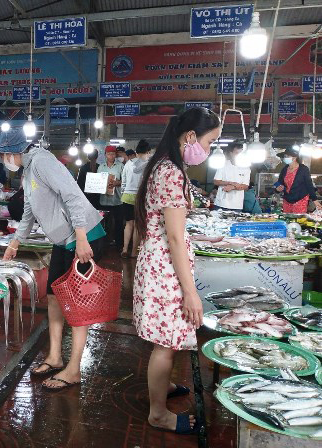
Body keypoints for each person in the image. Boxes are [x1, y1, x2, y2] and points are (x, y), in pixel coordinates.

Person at [0, 128, 105, 391]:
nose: (2, 161)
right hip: (62, 240)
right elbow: (30, 209)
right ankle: (55, 356)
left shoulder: (42, 161)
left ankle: (74, 369)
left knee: (77, 302)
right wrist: (15, 242)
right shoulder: (29, 169)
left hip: (82, 236)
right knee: (54, 295)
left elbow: (72, 195)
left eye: (2, 156)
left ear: (11, 152)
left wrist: (81, 237)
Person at [134, 107, 221, 434]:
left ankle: (163, 385)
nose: (209, 150)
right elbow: (173, 235)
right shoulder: (172, 172)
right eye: (209, 143)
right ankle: (159, 414)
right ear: (190, 137)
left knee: (164, 339)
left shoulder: (162, 165)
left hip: (156, 260)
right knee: (166, 344)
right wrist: (190, 291)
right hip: (165, 267)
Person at [120, 139, 151, 258]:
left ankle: (124, 249)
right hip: (140, 198)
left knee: (128, 224)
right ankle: (134, 252)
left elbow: (124, 181)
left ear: (136, 152)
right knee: (138, 226)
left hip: (127, 196)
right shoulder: (148, 164)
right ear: (148, 152)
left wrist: (124, 193)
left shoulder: (128, 163)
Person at [275, 148, 321, 213]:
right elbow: (279, 183)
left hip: (300, 200)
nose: (285, 158)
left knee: (299, 221)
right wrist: (277, 189)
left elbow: (309, 185)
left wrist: (315, 200)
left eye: (288, 156)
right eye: (285, 156)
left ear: (294, 157)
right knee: (287, 220)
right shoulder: (284, 169)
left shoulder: (303, 169)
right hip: (287, 200)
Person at [98, 145, 124, 246]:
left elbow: (125, 181)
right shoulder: (101, 167)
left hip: (117, 200)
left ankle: (119, 244)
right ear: (105, 155)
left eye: (113, 154)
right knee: (105, 224)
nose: (111, 156)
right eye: (109, 154)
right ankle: (104, 243)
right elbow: (97, 180)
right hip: (104, 200)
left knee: (118, 223)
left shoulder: (120, 166)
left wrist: (116, 183)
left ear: (115, 155)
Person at [213, 141, 250, 212]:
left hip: (237, 205)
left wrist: (233, 187)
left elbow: (245, 186)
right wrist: (231, 183)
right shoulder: (223, 164)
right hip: (221, 203)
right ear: (231, 153)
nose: (239, 155)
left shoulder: (246, 167)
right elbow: (216, 181)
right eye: (236, 153)